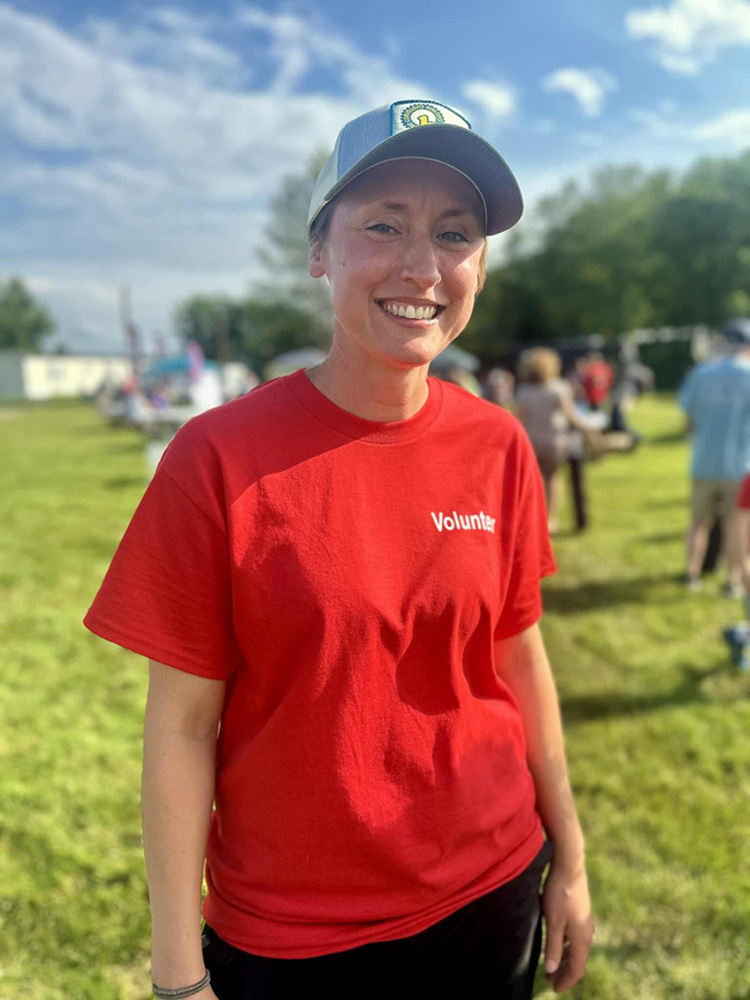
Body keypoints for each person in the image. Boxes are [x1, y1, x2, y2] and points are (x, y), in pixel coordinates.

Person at [83, 99, 594, 1000]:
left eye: (455, 233)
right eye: (383, 225)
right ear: (319, 251)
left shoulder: (499, 444)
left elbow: (519, 658)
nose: (422, 266)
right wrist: (177, 976)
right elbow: (182, 727)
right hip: (295, 940)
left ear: (480, 265)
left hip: (494, 888)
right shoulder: (218, 457)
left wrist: (572, 858)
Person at [678, 318, 750, 594]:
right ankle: (733, 581)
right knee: (736, 527)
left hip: (703, 462)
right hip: (741, 465)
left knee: (698, 524)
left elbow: (688, 420)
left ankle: (691, 575)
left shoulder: (702, 373)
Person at [515, 347, 591, 533]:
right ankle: (550, 518)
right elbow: (569, 414)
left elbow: (520, 419)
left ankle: (535, 518)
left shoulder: (524, 391)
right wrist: (586, 428)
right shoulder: (559, 388)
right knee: (552, 480)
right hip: (554, 441)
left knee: (534, 482)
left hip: (532, 440)